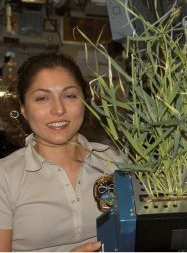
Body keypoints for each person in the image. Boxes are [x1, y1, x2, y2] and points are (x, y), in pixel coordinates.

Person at [0, 52, 125, 251]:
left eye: (69, 96)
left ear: (85, 101)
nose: (58, 109)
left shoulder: (115, 161)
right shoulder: (5, 177)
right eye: (42, 98)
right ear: (23, 109)